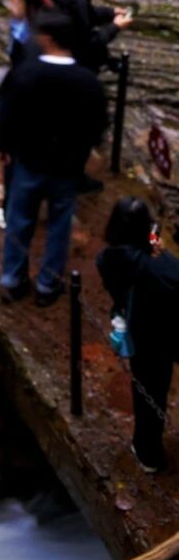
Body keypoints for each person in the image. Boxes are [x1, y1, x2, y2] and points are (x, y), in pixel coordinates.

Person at [0, 8, 107, 307]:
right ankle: (47, 285)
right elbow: (97, 125)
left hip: (28, 161)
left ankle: (12, 279)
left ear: (46, 38)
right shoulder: (88, 81)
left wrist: (5, 148)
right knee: (59, 225)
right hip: (67, 167)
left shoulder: (24, 74)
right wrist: (81, 155)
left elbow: (7, 115)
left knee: (19, 220)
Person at [97, 196, 179, 476]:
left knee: (148, 395)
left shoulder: (107, 260)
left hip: (141, 334)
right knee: (154, 389)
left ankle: (148, 452)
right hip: (168, 333)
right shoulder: (161, 268)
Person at [0, 0, 47, 229]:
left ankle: (11, 212)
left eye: (14, 1)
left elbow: (23, 78)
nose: (9, 6)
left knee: (15, 160)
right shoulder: (22, 26)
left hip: (24, 107)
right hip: (22, 98)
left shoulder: (33, 37)